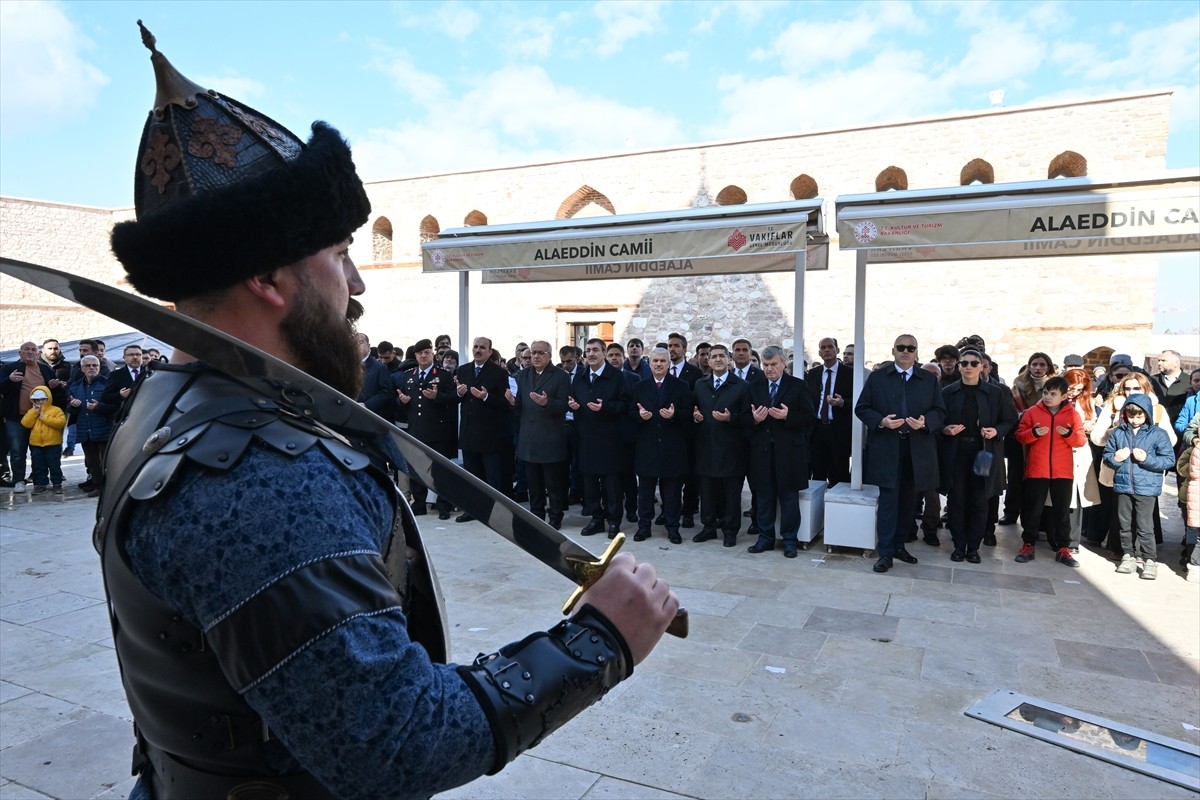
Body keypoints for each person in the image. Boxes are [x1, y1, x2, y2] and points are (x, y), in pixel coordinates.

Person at [101, 28, 676, 798]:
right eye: (339, 253)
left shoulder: (168, 409)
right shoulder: (257, 475)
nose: (358, 285)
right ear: (271, 279)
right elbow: (397, 742)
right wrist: (599, 639)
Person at [855, 334, 945, 574]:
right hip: (887, 448)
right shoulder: (878, 378)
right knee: (888, 502)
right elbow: (862, 408)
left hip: (916, 450)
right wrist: (881, 421)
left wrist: (926, 422)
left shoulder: (927, 379)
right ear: (893, 351)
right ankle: (885, 553)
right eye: (901, 348)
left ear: (916, 352)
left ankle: (899, 546)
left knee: (908, 503)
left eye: (910, 348)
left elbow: (940, 410)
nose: (906, 351)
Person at [938, 349, 1016, 562]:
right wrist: (946, 429)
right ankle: (958, 545)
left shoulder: (996, 392)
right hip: (957, 453)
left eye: (974, 363)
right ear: (958, 366)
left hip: (983, 454)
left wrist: (996, 431)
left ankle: (973, 547)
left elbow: (1009, 419)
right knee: (957, 500)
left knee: (980, 500)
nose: (969, 367)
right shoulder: (948, 392)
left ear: (982, 366)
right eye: (964, 363)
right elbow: (938, 420)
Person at [746, 345, 816, 557]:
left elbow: (809, 417)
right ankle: (765, 538)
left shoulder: (798, 386)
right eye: (766, 365)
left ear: (784, 364)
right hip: (763, 453)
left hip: (790, 454)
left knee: (789, 499)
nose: (769, 369)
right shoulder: (754, 386)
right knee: (764, 497)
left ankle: (789, 541)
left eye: (773, 364)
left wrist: (788, 416)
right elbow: (743, 418)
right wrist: (755, 420)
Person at [1013, 376, 1086, 566]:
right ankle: (1028, 544)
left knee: (1062, 512)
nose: (1047, 397)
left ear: (1063, 396)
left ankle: (1063, 548)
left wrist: (1069, 435)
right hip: (1037, 469)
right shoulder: (1031, 412)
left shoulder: (1072, 414)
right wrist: (1033, 434)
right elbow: (1020, 435)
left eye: (1053, 394)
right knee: (1032, 510)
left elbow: (1081, 440)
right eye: (1045, 392)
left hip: (1063, 471)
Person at [1104, 394, 1177, 579]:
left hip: (1147, 487)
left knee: (1145, 526)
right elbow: (1108, 456)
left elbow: (1168, 460)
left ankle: (1149, 560)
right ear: (1125, 415)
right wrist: (1116, 458)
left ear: (1147, 415)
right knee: (1124, 524)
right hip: (1122, 486)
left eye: (1139, 416)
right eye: (1131, 416)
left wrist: (1146, 459)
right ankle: (1127, 555)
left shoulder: (1158, 434)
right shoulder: (1119, 433)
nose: (1135, 420)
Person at [569, 338, 632, 538]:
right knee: (589, 482)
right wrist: (574, 406)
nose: (591, 354)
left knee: (611, 484)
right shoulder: (580, 376)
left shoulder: (616, 376)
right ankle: (596, 519)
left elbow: (625, 404)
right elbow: (572, 399)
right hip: (586, 437)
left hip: (610, 439)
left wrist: (605, 408)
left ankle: (614, 521)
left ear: (604, 353)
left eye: (596, 350)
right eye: (588, 350)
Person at [631, 347, 692, 542]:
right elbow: (629, 413)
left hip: (672, 447)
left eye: (662, 361)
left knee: (672, 492)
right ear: (649, 364)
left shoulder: (681, 386)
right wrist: (639, 416)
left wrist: (675, 415)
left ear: (668, 364)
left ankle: (673, 527)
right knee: (646, 491)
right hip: (647, 447)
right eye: (655, 361)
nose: (658, 364)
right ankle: (644, 526)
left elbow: (688, 414)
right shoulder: (639, 387)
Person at [691, 344, 750, 545]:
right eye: (713, 356)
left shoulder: (741, 386)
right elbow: (694, 409)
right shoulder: (700, 384)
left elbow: (749, 418)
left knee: (731, 493)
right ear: (707, 360)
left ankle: (730, 530)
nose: (717, 359)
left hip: (731, 449)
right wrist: (696, 417)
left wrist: (731, 418)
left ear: (729, 359)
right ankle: (708, 527)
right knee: (706, 492)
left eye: (721, 356)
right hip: (705, 447)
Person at [508, 340, 570, 529]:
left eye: (540, 353)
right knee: (533, 483)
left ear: (549, 356)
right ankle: (536, 515)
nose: (535, 356)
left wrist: (546, 403)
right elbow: (520, 405)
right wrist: (511, 402)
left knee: (553, 483)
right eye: (533, 353)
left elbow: (563, 405)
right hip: (529, 437)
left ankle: (555, 516)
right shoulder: (524, 374)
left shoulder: (560, 376)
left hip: (550, 437)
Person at [396, 339, 458, 519]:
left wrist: (437, 396)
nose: (423, 356)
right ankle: (420, 503)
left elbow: (454, 399)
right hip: (416, 429)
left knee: (440, 470)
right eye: (420, 353)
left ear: (432, 354)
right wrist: (402, 402)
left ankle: (443, 505)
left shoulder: (443, 375)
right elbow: (400, 398)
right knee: (417, 468)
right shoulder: (408, 375)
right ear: (415, 356)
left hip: (438, 430)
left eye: (427, 352)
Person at [453, 336, 512, 517]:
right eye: (475, 347)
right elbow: (455, 399)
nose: (478, 350)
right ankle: (472, 510)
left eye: (482, 348)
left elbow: (505, 403)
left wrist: (486, 397)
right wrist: (458, 393)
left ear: (489, 351)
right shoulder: (462, 370)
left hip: (490, 435)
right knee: (472, 476)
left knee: (492, 476)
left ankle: (493, 511)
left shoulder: (499, 373)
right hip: (469, 432)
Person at [1000, 352, 1058, 527]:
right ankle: (1011, 512)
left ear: (1049, 367)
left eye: (1042, 365)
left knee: (1038, 480)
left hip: (1046, 436)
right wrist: (1025, 416)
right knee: (1016, 476)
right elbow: (1011, 410)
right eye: (1035, 364)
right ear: (1029, 365)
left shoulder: (1055, 386)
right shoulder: (1018, 385)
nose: (1038, 368)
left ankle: (1035, 518)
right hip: (1021, 435)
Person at [2, 341, 62, 493]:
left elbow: (53, 393)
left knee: (39, 451)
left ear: (38, 353)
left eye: (33, 350)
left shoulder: (45, 369)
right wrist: (9, 380)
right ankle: (19, 481)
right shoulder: (9, 368)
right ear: (19, 352)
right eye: (26, 349)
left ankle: (39, 481)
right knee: (17, 451)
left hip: (40, 418)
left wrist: (55, 387)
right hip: (17, 417)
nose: (29, 352)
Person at [805, 337, 854, 486]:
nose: (827, 350)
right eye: (823, 347)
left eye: (830, 347)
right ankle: (818, 508)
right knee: (817, 472)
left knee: (839, 474)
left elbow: (859, 402)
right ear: (819, 352)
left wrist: (843, 403)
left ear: (837, 350)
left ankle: (837, 508)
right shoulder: (813, 374)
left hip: (839, 429)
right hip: (817, 428)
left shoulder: (850, 373)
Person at [66, 355, 112, 497]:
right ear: (82, 368)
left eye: (95, 365)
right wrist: (73, 407)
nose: (92, 368)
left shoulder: (108, 383)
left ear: (99, 367)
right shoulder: (74, 386)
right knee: (92, 462)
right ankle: (97, 486)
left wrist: (99, 407)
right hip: (85, 429)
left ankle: (109, 488)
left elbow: (114, 405)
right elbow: (69, 408)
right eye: (88, 366)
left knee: (107, 462)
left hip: (104, 428)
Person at [21, 385, 67, 495]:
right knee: (38, 466)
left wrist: (44, 417)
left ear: (48, 398)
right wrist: (34, 412)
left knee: (54, 465)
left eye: (43, 399)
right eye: (37, 399)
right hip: (36, 444)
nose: (40, 401)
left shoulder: (56, 410)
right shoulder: (32, 411)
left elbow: (60, 423)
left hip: (53, 444)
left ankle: (57, 484)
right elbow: (25, 423)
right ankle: (40, 485)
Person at [1177, 413, 1200, 582]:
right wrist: (1192, 471)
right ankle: (1191, 560)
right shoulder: (1193, 450)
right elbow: (1181, 467)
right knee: (1192, 529)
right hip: (1191, 495)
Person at [100, 344, 146, 419]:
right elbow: (105, 397)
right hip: (126, 417)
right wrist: (120, 395)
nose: (135, 357)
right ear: (124, 358)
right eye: (131, 355)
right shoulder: (116, 375)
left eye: (138, 354)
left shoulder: (150, 372)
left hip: (146, 414)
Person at [1151, 350, 1188, 424]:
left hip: (1180, 425)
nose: (1159, 363)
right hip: (1156, 423)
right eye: (1159, 360)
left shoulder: (1189, 381)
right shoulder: (1151, 380)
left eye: (1163, 360)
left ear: (1176, 363)